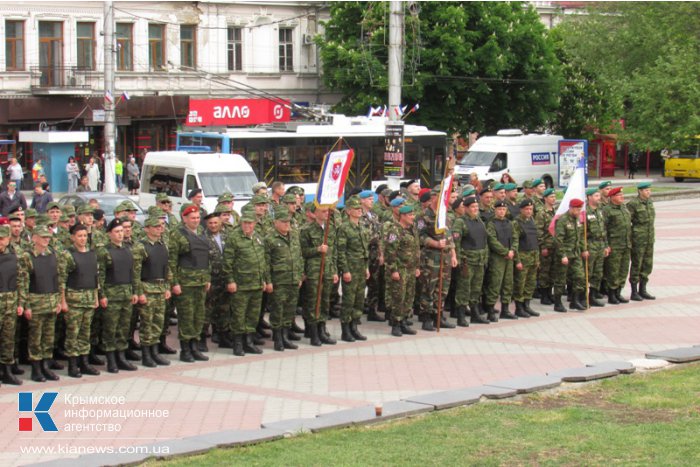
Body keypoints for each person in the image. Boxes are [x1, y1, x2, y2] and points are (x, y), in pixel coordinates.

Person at [20, 226, 64, 382]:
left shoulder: (53, 255)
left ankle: (46, 366)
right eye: (43, 236)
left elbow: (58, 279)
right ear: (34, 238)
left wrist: (59, 299)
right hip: (36, 302)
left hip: (51, 301)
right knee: (35, 338)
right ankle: (36, 369)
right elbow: (24, 283)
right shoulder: (28, 256)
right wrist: (26, 306)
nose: (47, 239)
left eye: (48, 237)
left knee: (48, 337)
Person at [168, 204, 211, 363]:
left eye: (198, 218)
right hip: (185, 283)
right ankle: (185, 350)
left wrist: (207, 279)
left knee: (198, 316)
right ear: (184, 218)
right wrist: (174, 283)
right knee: (186, 317)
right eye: (192, 218)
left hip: (200, 282)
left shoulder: (201, 233)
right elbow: (171, 262)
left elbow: (206, 259)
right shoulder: (177, 235)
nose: (196, 221)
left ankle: (195, 347)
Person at [224, 212, 269, 355]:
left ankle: (248, 342)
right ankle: (238, 344)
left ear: (255, 224)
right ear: (241, 223)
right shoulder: (234, 239)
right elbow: (227, 262)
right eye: (245, 223)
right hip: (240, 284)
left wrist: (264, 280)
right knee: (239, 315)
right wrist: (230, 280)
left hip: (256, 284)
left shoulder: (258, 238)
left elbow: (263, 261)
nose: (248, 226)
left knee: (253, 315)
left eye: (250, 223)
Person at [60, 224, 101, 378]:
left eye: (85, 236)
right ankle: (72, 364)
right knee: (73, 333)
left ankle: (84, 363)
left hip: (89, 299)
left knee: (85, 332)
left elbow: (95, 277)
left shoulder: (92, 254)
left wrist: (96, 297)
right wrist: (63, 301)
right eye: (79, 236)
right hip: (74, 300)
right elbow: (62, 280)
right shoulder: (68, 255)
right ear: (73, 238)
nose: (83, 239)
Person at [132, 216, 172, 367]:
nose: (159, 229)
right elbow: (136, 273)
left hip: (160, 288)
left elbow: (166, 268)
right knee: (147, 323)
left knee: (158, 322)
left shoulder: (163, 245)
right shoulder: (140, 246)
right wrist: (139, 292)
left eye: (160, 226)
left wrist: (167, 286)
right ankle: (146, 354)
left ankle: (155, 352)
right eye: (155, 227)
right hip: (147, 288)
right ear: (147, 228)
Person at [264, 206, 303, 351]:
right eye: (284, 222)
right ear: (275, 223)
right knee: (277, 310)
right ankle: (278, 339)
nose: (287, 224)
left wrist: (299, 275)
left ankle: (286, 337)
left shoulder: (294, 236)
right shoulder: (270, 239)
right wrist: (268, 281)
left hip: (293, 279)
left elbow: (298, 257)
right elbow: (266, 262)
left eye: (289, 222)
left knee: (289, 309)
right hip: (278, 281)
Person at [300, 204, 339, 346]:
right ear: (314, 213)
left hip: (327, 269)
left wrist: (334, 270)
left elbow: (333, 252)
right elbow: (302, 252)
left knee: (324, 301)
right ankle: (314, 333)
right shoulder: (306, 230)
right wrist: (317, 249)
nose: (326, 214)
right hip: (314, 270)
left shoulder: (331, 229)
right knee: (313, 302)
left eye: (327, 211)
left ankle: (322, 330)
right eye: (323, 211)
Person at [336, 196, 370, 342]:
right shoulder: (344, 228)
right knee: (348, 300)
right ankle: (345, 330)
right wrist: (345, 270)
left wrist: (366, 267)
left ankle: (354, 326)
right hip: (350, 267)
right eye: (356, 209)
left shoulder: (361, 226)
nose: (359, 211)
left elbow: (365, 249)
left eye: (360, 208)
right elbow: (341, 251)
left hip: (361, 267)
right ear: (349, 211)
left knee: (359, 299)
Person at [484, 200, 517, 322]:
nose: (502, 211)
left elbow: (515, 238)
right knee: (495, 284)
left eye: (504, 209)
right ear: (495, 210)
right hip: (497, 258)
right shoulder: (491, 224)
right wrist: (505, 252)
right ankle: (491, 311)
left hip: (509, 257)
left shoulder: (510, 223)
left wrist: (512, 250)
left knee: (508, 283)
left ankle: (505, 309)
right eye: (499, 209)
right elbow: (492, 240)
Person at [0, 224, 25, 386]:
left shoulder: (15, 255)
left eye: (2, 239)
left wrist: (21, 302)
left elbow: (21, 280)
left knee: (8, 339)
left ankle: (7, 371)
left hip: (10, 302)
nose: (0, 242)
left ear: (8, 239)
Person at [552, 199, 587, 312]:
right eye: (576, 209)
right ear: (571, 208)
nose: (578, 211)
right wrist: (562, 255)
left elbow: (580, 237)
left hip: (575, 253)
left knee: (580, 276)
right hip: (565, 254)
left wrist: (584, 249)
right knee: (561, 280)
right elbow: (558, 240)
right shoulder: (563, 220)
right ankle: (557, 303)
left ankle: (575, 301)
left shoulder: (577, 219)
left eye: (580, 209)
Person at [603, 187, 632, 304]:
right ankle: (611, 294)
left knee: (623, 270)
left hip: (626, 245)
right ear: (612, 197)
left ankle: (618, 292)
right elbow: (603, 229)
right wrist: (606, 245)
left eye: (622, 194)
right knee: (613, 271)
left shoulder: (624, 208)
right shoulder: (607, 210)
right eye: (619, 195)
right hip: (614, 245)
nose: (622, 197)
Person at [627, 182, 656, 300]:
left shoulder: (649, 202)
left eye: (649, 190)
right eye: (646, 190)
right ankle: (634, 291)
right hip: (638, 239)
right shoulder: (633, 204)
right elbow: (628, 222)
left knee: (647, 264)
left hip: (649, 239)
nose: (649, 192)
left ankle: (643, 289)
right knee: (636, 264)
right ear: (640, 191)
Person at [513, 199, 540, 318]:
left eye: (531, 209)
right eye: (527, 209)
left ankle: (527, 305)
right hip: (523, 256)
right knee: (520, 283)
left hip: (533, 256)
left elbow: (535, 240)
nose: (529, 211)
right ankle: (519, 307)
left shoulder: (532, 221)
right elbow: (515, 243)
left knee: (530, 283)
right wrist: (517, 260)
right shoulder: (516, 223)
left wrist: (537, 259)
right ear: (521, 210)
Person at [584, 188, 609, 307]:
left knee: (598, 272)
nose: (598, 198)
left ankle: (592, 296)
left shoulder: (600, 210)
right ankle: (582, 297)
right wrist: (584, 248)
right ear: (589, 197)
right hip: (590, 245)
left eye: (599, 196)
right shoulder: (585, 212)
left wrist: (606, 245)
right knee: (587, 272)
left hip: (599, 245)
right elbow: (580, 233)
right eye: (596, 196)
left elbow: (604, 229)